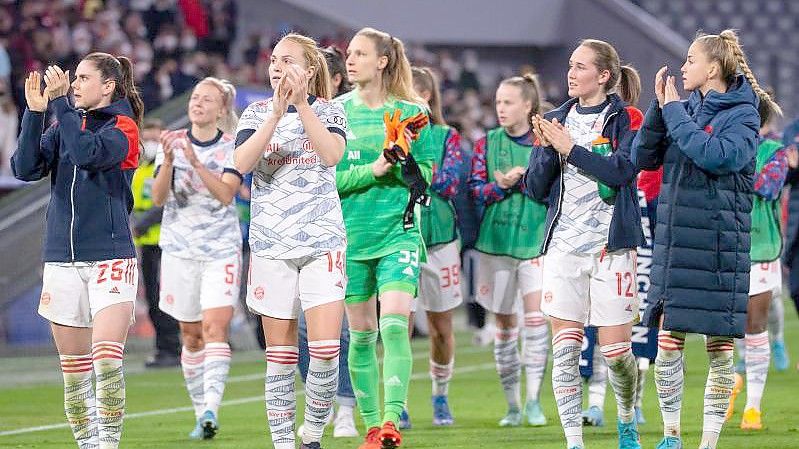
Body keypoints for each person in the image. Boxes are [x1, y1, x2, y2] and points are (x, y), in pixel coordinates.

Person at [633, 29, 778, 449]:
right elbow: (643, 158)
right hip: (676, 242)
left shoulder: (744, 114)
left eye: (690, 60)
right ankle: (671, 436)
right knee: (667, 342)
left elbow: (715, 156)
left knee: (718, 349)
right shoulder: (686, 107)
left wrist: (674, 109)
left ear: (712, 68)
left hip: (717, 247)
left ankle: (708, 442)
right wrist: (660, 110)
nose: (682, 67)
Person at [12, 52, 143, 449]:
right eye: (74, 79)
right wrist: (36, 115)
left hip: (110, 255)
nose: (74, 85)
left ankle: (108, 445)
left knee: (105, 361)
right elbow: (25, 168)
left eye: (83, 78)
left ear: (108, 86)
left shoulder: (124, 126)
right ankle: (89, 445)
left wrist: (59, 107)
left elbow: (88, 154)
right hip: (61, 259)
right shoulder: (64, 123)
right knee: (74, 372)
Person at [525, 39, 644, 449]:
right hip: (562, 248)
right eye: (570, 66)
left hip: (611, 248)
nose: (571, 73)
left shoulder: (625, 118)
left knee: (616, 355)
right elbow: (536, 190)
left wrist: (569, 148)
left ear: (604, 75)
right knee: (565, 352)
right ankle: (574, 441)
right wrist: (543, 151)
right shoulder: (556, 119)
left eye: (580, 67)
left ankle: (627, 417)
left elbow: (621, 173)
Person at [233, 33, 349, 449]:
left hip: (322, 242)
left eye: (287, 60)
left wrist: (300, 106)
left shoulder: (331, 110)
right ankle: (284, 443)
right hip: (271, 246)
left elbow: (332, 155)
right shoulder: (254, 112)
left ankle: (313, 434)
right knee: (279, 357)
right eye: (274, 60)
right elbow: (242, 163)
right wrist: (275, 115)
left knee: (324, 350)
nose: (277, 67)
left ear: (309, 69)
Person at [337, 27, 436, 449]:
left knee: (394, 325)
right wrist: (374, 168)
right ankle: (373, 427)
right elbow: (329, 181)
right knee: (361, 336)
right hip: (350, 240)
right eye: (348, 53)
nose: (350, 60)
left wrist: (405, 160)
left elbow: (427, 179)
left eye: (360, 53)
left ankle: (393, 421)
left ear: (382, 61)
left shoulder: (412, 113)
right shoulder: (334, 114)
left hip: (399, 233)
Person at [151, 76, 242, 440]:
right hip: (179, 251)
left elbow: (225, 195)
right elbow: (158, 197)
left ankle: (211, 410)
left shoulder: (234, 146)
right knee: (190, 336)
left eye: (207, 100)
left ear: (221, 109)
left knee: (214, 329)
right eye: (195, 98)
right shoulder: (170, 143)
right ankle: (198, 413)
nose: (198, 104)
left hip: (221, 250)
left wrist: (198, 164)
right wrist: (172, 160)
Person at [469, 74, 549, 428]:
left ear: (527, 105)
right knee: (504, 326)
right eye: (498, 102)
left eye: (508, 102)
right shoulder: (487, 143)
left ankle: (533, 401)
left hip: (535, 242)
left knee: (535, 321)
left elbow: (554, 192)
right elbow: (475, 191)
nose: (500, 108)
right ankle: (512, 405)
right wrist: (498, 186)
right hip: (496, 245)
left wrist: (527, 180)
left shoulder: (546, 142)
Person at [294, 44, 359, 439]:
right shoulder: (284, 118)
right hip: (299, 236)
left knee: (344, 331)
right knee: (303, 332)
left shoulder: (341, 116)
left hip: (344, 232)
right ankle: (324, 402)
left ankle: (349, 406)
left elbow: (341, 169)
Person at [725, 97, 787, 430]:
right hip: (725, 246)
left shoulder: (774, 153)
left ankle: (753, 406)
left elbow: (768, 186)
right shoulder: (721, 148)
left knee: (755, 324)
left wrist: (730, 170)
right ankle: (731, 382)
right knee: (725, 327)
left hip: (761, 246)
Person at [410, 66, 464, 426]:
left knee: (440, 327)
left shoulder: (448, 136)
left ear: (426, 97)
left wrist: (408, 170)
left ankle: (440, 396)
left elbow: (447, 184)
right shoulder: (386, 133)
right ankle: (396, 402)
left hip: (441, 239)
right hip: (400, 236)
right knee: (394, 324)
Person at [131, 118, 181, 368]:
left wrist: (140, 225)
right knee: (153, 297)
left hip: (164, 239)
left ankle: (172, 346)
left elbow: (163, 202)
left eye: (154, 138)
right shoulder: (142, 168)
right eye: (146, 138)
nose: (149, 143)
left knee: (164, 296)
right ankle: (164, 346)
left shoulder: (164, 167)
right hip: (147, 242)